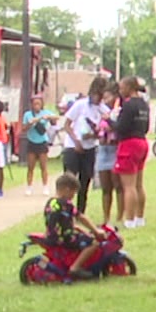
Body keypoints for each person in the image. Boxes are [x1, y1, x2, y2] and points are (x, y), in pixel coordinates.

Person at [44, 173, 106, 280]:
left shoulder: (50, 202)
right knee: (93, 243)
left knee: (82, 236)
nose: (73, 196)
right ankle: (75, 268)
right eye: (73, 193)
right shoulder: (66, 203)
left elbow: (60, 220)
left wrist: (77, 228)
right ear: (67, 189)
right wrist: (95, 230)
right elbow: (80, 217)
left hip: (52, 235)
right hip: (64, 238)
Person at [59, 79, 105, 216]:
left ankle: (80, 212)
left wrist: (96, 135)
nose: (98, 99)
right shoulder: (80, 105)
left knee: (84, 182)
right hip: (73, 147)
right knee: (69, 180)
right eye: (97, 95)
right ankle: (64, 210)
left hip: (89, 147)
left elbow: (105, 129)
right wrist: (76, 141)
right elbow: (67, 125)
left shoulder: (102, 109)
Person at [112, 76, 150, 228]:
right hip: (142, 141)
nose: (120, 91)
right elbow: (147, 127)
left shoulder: (128, 105)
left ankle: (129, 219)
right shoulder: (144, 104)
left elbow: (121, 127)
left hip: (129, 143)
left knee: (129, 185)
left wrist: (109, 121)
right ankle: (140, 217)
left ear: (129, 87)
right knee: (139, 184)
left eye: (122, 88)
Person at [94, 86, 122, 226]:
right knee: (106, 188)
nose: (105, 101)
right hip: (103, 148)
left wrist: (110, 121)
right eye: (103, 98)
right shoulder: (100, 112)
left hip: (115, 149)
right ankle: (106, 218)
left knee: (118, 185)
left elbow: (119, 127)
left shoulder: (118, 112)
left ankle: (120, 216)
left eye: (108, 97)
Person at [21, 102, 55, 195]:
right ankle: (29, 187)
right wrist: (30, 123)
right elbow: (23, 128)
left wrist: (48, 117)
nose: (37, 106)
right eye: (35, 104)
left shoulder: (45, 112)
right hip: (31, 141)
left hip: (42, 142)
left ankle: (45, 186)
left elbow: (56, 118)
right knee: (30, 167)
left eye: (38, 104)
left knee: (43, 166)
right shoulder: (27, 114)